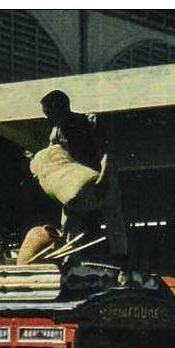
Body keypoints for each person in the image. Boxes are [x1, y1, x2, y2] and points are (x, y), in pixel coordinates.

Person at [40, 89, 106, 245]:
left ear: (62, 109)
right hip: (75, 186)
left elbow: (105, 153)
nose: (47, 118)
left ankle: (121, 261)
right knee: (69, 224)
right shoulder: (56, 132)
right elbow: (53, 156)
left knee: (113, 217)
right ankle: (71, 261)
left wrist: (103, 179)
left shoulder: (90, 122)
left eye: (49, 113)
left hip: (100, 177)